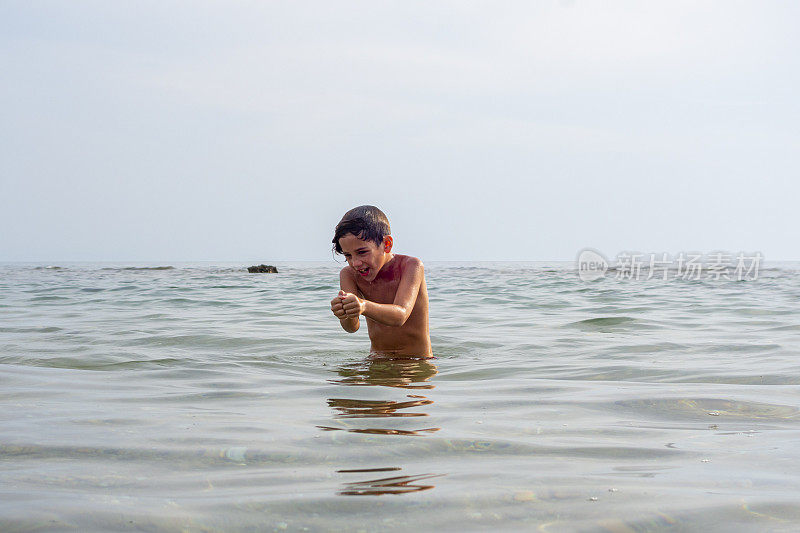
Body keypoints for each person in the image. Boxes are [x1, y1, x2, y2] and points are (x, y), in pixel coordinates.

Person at [330, 205, 432, 358]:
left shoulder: (410, 266)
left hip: (416, 362)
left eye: (362, 252)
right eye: (348, 256)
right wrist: (344, 314)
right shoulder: (349, 275)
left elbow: (400, 316)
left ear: (387, 244)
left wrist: (363, 306)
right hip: (377, 361)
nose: (355, 263)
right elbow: (352, 327)